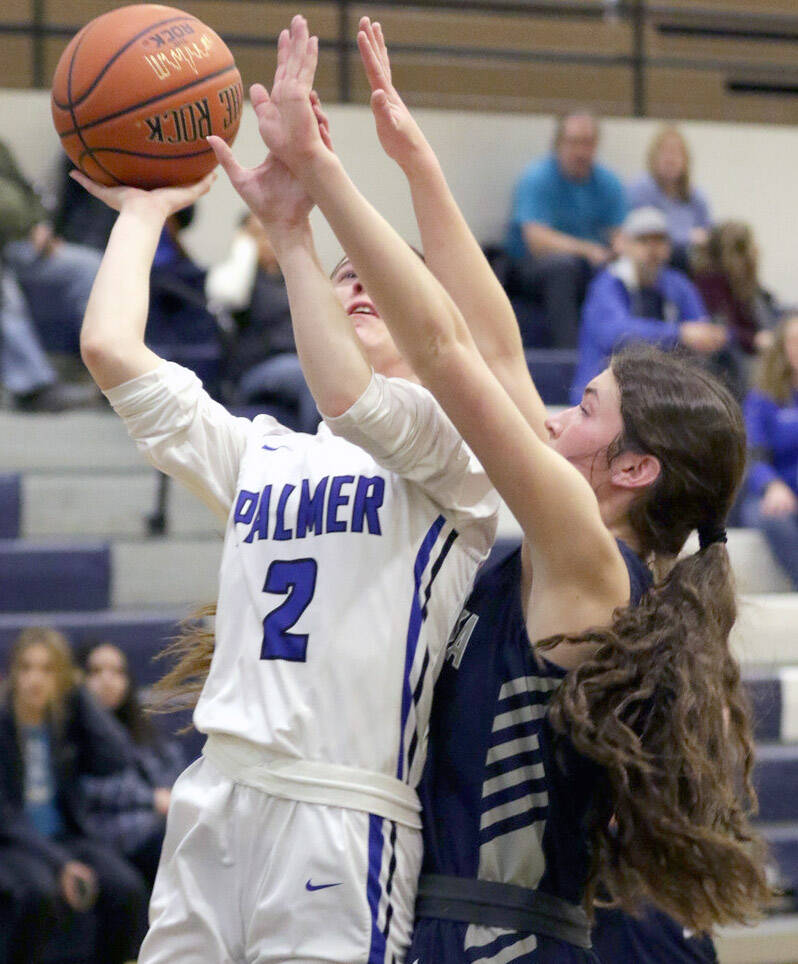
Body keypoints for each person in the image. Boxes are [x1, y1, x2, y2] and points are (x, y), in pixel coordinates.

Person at [270, 15, 766, 961]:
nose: (548, 418)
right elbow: (494, 344)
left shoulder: (591, 563)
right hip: (450, 930)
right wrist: (415, 160)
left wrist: (321, 178)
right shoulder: (559, 551)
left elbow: (451, 351)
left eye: (583, 408)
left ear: (632, 469)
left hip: (502, 942)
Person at [73, 41, 498, 963]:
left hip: (343, 812)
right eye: (346, 278)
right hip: (217, 792)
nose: (356, 288)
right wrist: (148, 211)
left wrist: (298, 235)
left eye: (377, 283)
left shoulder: (456, 459)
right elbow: (109, 349)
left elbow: (349, 393)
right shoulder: (261, 453)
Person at [0, 627, 149, 964]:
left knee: (127, 888)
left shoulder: (65, 721)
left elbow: (119, 756)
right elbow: (6, 818)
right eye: (26, 668)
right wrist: (62, 864)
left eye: (48, 669)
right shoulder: (3, 723)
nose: (35, 679)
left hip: (65, 837)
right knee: (38, 893)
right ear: (13, 674)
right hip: (13, 843)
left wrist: (81, 693)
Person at [570, 205, 727, 401]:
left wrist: (713, 336)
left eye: (660, 240)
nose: (652, 248)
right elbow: (616, 334)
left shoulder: (677, 284)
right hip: (603, 396)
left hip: (658, 396)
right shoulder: (608, 284)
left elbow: (701, 328)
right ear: (625, 244)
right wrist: (679, 333)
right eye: (643, 240)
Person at [504, 110, 626, 348]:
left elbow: (618, 233)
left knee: (622, 272)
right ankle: (568, 357)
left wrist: (623, 251)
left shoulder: (609, 182)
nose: (581, 151)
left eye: (588, 143)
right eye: (574, 143)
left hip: (589, 266)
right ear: (559, 143)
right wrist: (587, 250)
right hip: (531, 267)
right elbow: (536, 241)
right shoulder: (537, 178)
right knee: (562, 267)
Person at [79, 642, 185, 884]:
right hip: (104, 829)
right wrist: (151, 799)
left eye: (117, 672)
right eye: (96, 672)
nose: (108, 680)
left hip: (153, 822)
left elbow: (173, 768)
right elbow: (84, 789)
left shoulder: (142, 727)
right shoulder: (73, 732)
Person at [206, 210, 319, 431]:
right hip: (256, 371)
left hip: (299, 364)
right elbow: (228, 295)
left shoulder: (291, 278)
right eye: (259, 234)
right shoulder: (238, 280)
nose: (269, 240)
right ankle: (319, 455)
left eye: (273, 232)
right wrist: (243, 249)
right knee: (310, 378)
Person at [741, 312, 798, 588]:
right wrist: (772, 485)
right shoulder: (763, 398)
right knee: (774, 517)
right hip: (773, 493)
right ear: (783, 348)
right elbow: (754, 454)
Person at [692, 221, 780, 389]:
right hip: (731, 358)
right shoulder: (710, 282)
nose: (757, 250)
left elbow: (771, 308)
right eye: (752, 244)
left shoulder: (746, 283)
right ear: (737, 252)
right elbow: (722, 330)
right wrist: (754, 339)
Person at [627, 125, 712, 272]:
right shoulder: (642, 188)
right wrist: (687, 237)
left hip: (689, 259)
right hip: (652, 259)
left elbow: (707, 234)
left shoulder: (696, 196)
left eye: (676, 153)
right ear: (653, 158)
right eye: (665, 153)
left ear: (686, 160)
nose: (670, 159)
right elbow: (645, 232)